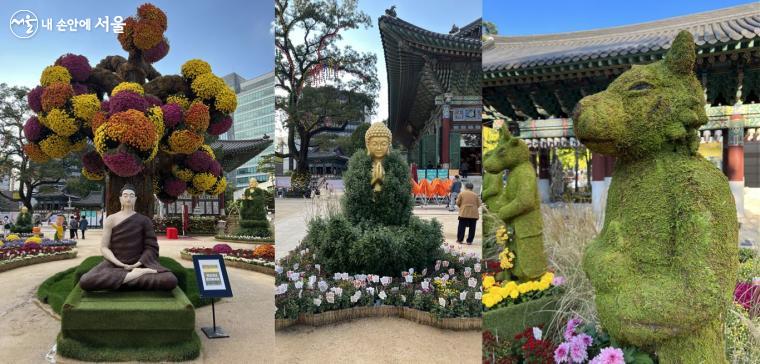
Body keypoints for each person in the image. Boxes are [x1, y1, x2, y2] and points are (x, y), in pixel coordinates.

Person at [78, 184, 178, 291]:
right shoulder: (111, 219)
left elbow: (151, 248)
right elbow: (104, 247)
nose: (128, 198)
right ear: (120, 199)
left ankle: (119, 280)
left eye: (131, 195)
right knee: (85, 281)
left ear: (135, 199)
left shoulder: (144, 220)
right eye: (125, 195)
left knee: (170, 280)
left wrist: (138, 264)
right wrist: (118, 263)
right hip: (114, 264)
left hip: (139, 263)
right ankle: (133, 276)